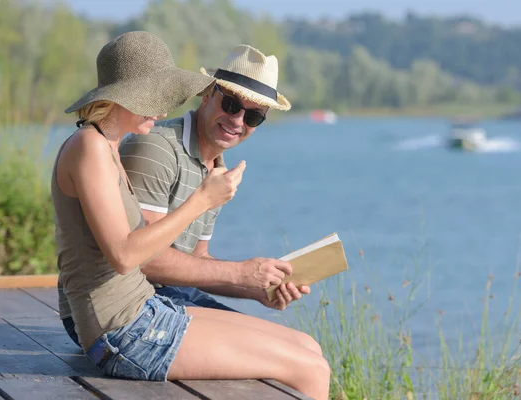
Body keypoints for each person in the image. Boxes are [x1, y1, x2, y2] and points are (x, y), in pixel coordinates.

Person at [53, 31, 330, 399]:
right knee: (309, 368)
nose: (164, 109)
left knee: (307, 349)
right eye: (156, 96)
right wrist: (201, 200)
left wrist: (256, 286)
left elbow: (158, 258)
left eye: (254, 117)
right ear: (128, 94)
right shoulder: (91, 147)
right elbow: (125, 256)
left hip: (143, 311)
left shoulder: (106, 146)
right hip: (122, 329)